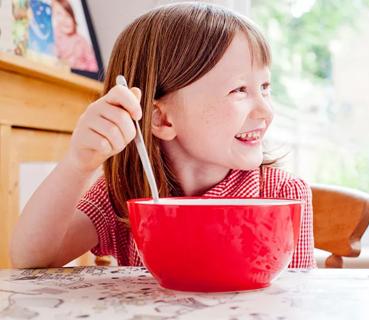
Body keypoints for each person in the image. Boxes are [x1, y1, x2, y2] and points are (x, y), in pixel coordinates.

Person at [10, 2, 315, 269]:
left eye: (265, 87)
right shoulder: (122, 194)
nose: (266, 111)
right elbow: (32, 259)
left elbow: (294, 302)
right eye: (239, 90)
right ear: (161, 118)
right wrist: (78, 164)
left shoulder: (283, 195)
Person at [52, 0, 98, 71]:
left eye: (68, 16)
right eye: (59, 14)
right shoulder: (54, 37)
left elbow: (92, 63)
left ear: (73, 17)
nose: (64, 20)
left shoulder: (81, 40)